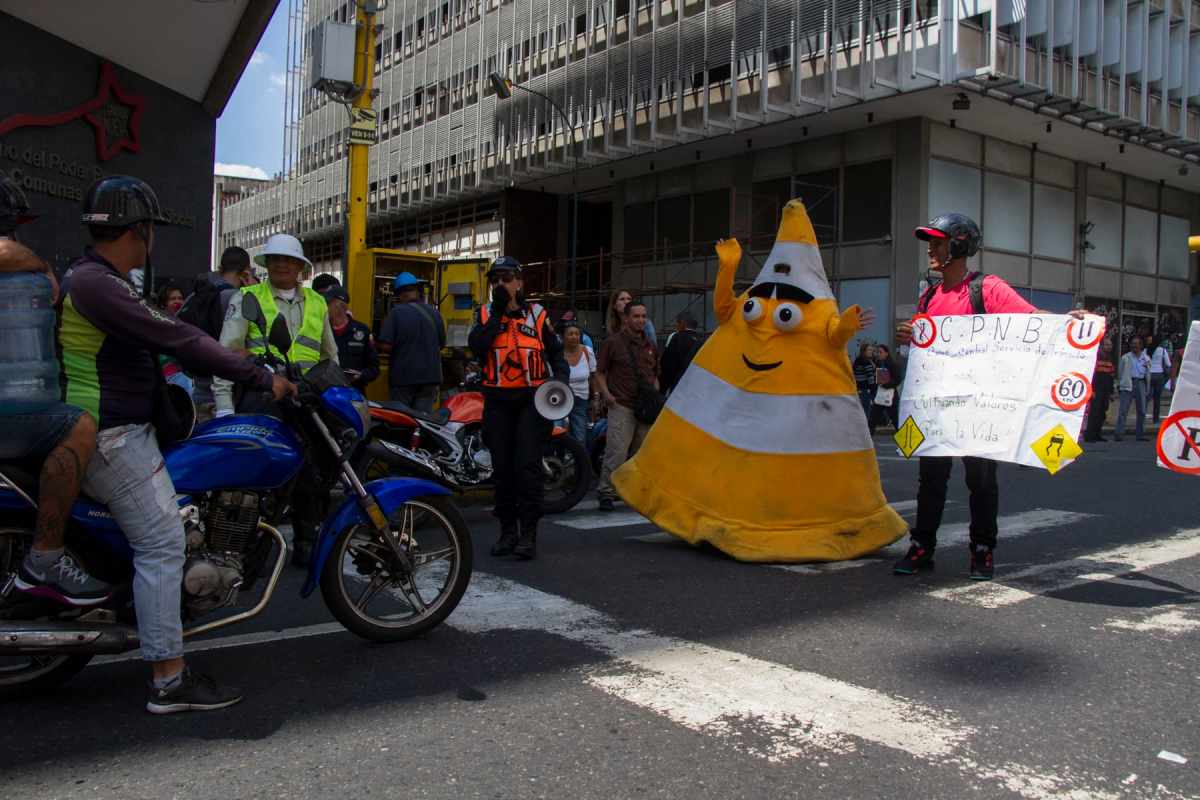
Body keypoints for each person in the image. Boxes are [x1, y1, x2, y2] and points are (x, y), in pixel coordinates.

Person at [61, 175, 295, 713]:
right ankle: (169, 679)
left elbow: (174, 339)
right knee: (164, 544)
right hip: (111, 435)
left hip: (118, 427)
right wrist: (259, 376)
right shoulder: (100, 285)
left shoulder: (99, 281)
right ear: (140, 230)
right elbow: (179, 337)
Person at [892, 212, 1082, 581]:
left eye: (938, 241)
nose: (931, 248)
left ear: (960, 245)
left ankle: (982, 550)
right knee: (930, 479)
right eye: (930, 242)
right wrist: (909, 336)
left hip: (980, 405)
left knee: (980, 480)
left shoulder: (987, 288)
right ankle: (921, 547)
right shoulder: (929, 295)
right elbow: (925, 345)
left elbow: (1030, 321)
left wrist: (1066, 323)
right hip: (937, 406)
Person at [0, 178, 107, 607]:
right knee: (78, 426)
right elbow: (6, 252)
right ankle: (44, 559)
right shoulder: (15, 261)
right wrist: (42, 268)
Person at [215, 232, 338, 569]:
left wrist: (337, 395)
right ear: (266, 264)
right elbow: (225, 356)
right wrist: (225, 407)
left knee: (311, 476)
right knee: (256, 479)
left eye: (289, 260)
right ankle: (249, 548)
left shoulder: (316, 302)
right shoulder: (247, 297)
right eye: (276, 259)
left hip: (306, 402)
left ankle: (306, 542)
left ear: (301, 266)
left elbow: (331, 356)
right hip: (263, 398)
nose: (282, 264)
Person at [468, 256, 568, 560]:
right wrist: (498, 312)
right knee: (503, 470)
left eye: (506, 278)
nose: (500, 283)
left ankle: (528, 535)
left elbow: (556, 352)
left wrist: (559, 381)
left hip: (532, 402)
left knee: (528, 467)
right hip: (498, 402)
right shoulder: (485, 314)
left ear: (519, 282)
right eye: (495, 279)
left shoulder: (537, 314)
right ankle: (507, 532)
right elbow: (478, 347)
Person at [595, 298, 659, 513]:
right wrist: (606, 395)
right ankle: (606, 491)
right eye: (636, 316)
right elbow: (600, 372)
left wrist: (655, 394)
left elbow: (654, 374)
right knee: (616, 450)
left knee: (641, 452)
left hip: (645, 407)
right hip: (621, 404)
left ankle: (632, 491)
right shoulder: (612, 343)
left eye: (643, 316)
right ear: (626, 318)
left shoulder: (650, 344)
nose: (640, 320)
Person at [179, 246, 258, 421]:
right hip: (227, 396)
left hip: (198, 388)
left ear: (221, 268)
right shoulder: (238, 298)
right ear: (246, 272)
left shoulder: (194, 296)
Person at [378, 272, 445, 412]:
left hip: (404, 378)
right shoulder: (435, 313)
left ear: (399, 294)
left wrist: (374, 343)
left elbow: (386, 346)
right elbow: (442, 344)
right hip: (430, 378)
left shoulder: (396, 313)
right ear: (418, 291)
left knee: (402, 421)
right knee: (423, 422)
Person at [325, 285, 379, 392]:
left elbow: (374, 368)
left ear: (340, 306)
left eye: (327, 303)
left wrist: (361, 375)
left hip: (354, 393)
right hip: (327, 392)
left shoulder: (362, 331)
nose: (324, 307)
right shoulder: (321, 330)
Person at [559, 320, 595, 443]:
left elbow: (593, 375)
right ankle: (559, 459)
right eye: (570, 334)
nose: (574, 337)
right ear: (563, 337)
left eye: (577, 334)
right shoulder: (557, 354)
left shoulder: (587, 351)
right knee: (559, 432)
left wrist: (595, 397)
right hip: (560, 399)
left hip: (581, 399)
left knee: (580, 435)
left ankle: (578, 460)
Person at [155, 284, 193, 396]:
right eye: (173, 299)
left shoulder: (186, 323)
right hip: (167, 377)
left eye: (180, 298)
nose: (178, 301)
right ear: (163, 303)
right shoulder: (158, 323)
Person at [1115, 336, 1151, 442]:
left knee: (1142, 411)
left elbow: (1148, 372)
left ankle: (1140, 434)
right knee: (1123, 410)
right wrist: (1120, 384)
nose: (1134, 346)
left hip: (1141, 383)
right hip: (1128, 383)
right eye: (1133, 343)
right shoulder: (1125, 357)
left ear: (1141, 345)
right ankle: (1119, 433)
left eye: (1137, 344)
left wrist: (1147, 387)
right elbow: (1120, 372)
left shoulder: (1146, 358)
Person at [659, 311, 702, 396]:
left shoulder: (677, 338)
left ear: (682, 323)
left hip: (678, 387)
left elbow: (668, 365)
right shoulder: (702, 341)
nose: (676, 327)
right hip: (696, 388)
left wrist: (662, 389)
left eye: (677, 323)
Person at [1083, 337, 1116, 442]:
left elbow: (1111, 376)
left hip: (1106, 390)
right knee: (1094, 412)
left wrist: (1111, 392)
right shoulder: (1096, 358)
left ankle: (1097, 434)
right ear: (1101, 346)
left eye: (1110, 345)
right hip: (1097, 389)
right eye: (1106, 345)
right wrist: (1091, 390)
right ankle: (1089, 435)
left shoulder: (1110, 358)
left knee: (1102, 412)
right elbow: (1092, 375)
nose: (1109, 347)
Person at [873, 344, 901, 431]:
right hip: (880, 395)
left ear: (886, 353)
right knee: (872, 418)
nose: (878, 354)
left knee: (895, 420)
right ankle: (867, 440)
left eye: (880, 352)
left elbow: (897, 379)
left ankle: (904, 439)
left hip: (891, 396)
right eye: (878, 352)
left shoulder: (892, 364)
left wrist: (886, 383)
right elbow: (876, 379)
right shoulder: (878, 363)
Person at [1148, 335, 1171, 425]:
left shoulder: (1147, 350)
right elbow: (1168, 364)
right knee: (1157, 399)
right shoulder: (1162, 351)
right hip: (1159, 375)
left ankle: (1141, 417)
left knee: (1146, 398)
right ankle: (1155, 419)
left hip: (1149, 375)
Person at [852, 342, 877, 425]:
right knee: (866, 412)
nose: (871, 351)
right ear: (864, 351)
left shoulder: (861, 360)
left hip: (861, 390)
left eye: (872, 350)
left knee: (863, 412)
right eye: (869, 350)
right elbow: (870, 378)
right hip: (865, 390)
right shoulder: (864, 361)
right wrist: (874, 390)